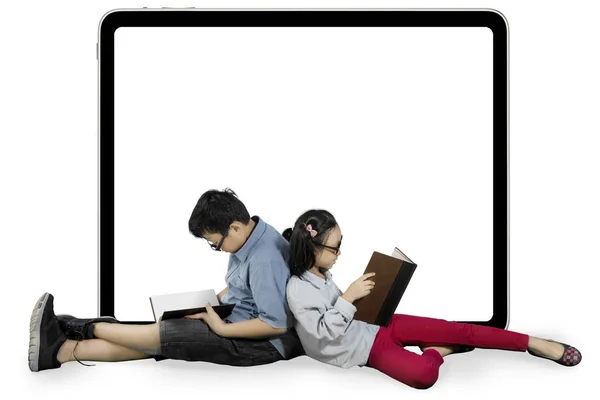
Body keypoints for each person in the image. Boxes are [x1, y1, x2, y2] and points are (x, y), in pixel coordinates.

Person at [283, 209, 582, 390]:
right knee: (424, 374)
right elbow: (322, 334)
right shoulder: (298, 289)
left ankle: (533, 342)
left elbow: (346, 312)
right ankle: (438, 351)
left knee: (458, 329)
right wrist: (349, 296)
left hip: (377, 324)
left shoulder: (322, 273)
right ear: (312, 247)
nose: (339, 253)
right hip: (364, 350)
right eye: (335, 248)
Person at [29, 188, 302, 372]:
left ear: (234, 227)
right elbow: (243, 285)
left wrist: (219, 327)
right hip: (234, 319)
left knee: (161, 334)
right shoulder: (248, 239)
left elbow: (276, 324)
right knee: (159, 335)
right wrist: (211, 303)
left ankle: (70, 326)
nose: (217, 249)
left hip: (260, 345)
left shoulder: (265, 257)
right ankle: (63, 350)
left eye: (214, 244)